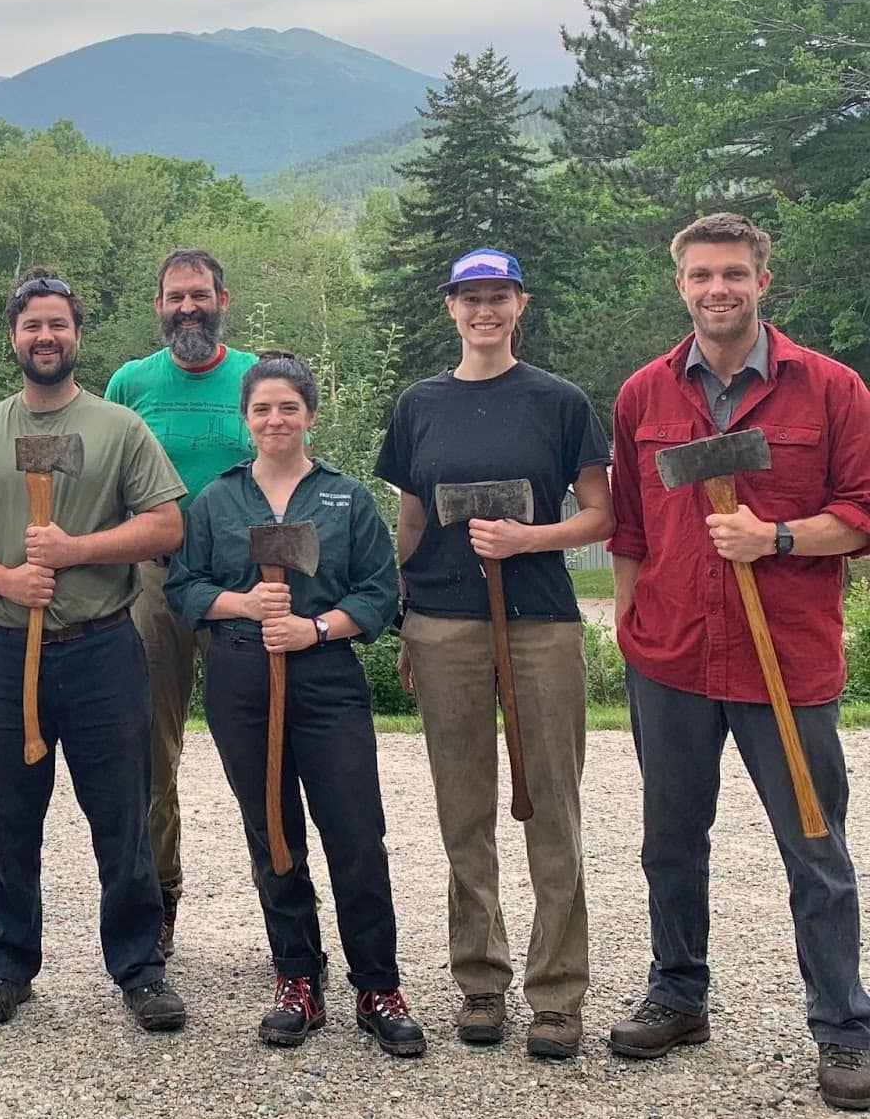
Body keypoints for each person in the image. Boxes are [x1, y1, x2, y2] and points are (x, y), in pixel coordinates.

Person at [606, 214, 870, 1110]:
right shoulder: (644, 394)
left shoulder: (831, 390)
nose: (717, 288)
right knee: (670, 843)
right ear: (679, 285)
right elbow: (632, 527)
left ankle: (842, 1027)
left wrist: (778, 535)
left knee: (815, 845)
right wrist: (630, 615)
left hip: (784, 660)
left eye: (734, 274)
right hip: (671, 656)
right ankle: (679, 996)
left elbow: (863, 515)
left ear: (764, 281)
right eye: (700, 275)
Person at [0, 269, 189, 1031]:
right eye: (32, 324)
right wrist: (4, 575)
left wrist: (73, 551)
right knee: (9, 817)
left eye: (59, 324)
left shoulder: (117, 428)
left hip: (104, 649)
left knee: (122, 816)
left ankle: (139, 968)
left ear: (77, 335)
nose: (46, 336)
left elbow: (165, 526)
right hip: (6, 651)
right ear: (14, 335)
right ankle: (6, 966)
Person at [374, 248, 614, 1058]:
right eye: (470, 297)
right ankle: (480, 980)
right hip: (445, 623)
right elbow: (410, 521)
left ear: (521, 302)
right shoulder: (419, 405)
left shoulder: (559, 401)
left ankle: (556, 993)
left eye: (499, 295)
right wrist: (406, 614)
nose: (485, 309)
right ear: (450, 307)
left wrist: (529, 538)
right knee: (464, 809)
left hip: (541, 621)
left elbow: (600, 515)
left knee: (552, 804)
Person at [166, 351, 424, 1055]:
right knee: (272, 832)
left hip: (325, 677)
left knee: (356, 833)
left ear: (309, 415)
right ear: (244, 419)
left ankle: (377, 986)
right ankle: (297, 979)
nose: (275, 419)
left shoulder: (345, 497)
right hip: (242, 678)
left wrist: (314, 626)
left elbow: (377, 591)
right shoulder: (217, 500)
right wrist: (244, 603)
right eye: (261, 409)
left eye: (288, 407)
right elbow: (182, 585)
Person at [105, 249, 256, 956]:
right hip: (153, 583)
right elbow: (104, 482)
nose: (187, 307)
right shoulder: (131, 382)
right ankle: (156, 901)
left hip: (243, 582)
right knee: (146, 750)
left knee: (261, 745)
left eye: (199, 294)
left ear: (224, 298)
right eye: (175, 297)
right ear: (158, 304)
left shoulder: (258, 377)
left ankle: (286, 909)